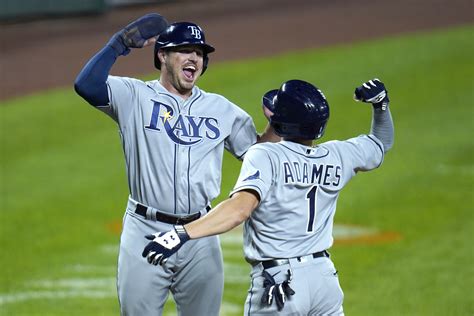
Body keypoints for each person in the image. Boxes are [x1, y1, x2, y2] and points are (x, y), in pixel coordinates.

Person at [74, 13, 279, 316]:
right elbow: (86, 85)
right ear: (162, 56)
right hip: (145, 229)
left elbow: (262, 156)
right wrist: (118, 44)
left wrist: (276, 126)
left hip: (200, 233)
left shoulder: (221, 109)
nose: (194, 58)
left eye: (199, 53)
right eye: (185, 50)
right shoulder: (135, 96)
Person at [142, 78, 394, 315]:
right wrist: (380, 106)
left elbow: (239, 210)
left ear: (283, 122)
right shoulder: (340, 155)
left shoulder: (265, 155)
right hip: (324, 281)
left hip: (280, 284)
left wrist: (181, 233)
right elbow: (380, 143)